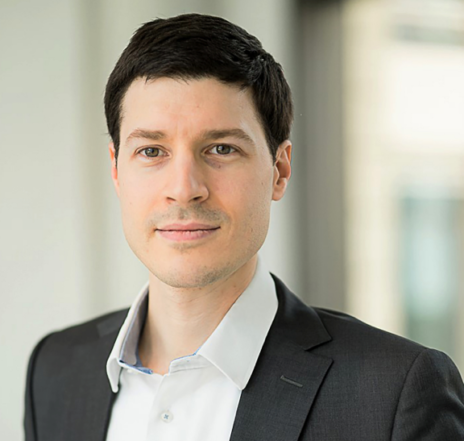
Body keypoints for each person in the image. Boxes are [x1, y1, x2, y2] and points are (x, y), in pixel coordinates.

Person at [23, 13, 464, 441]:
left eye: (220, 148)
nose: (184, 190)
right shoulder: (56, 370)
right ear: (117, 170)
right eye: (152, 152)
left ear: (279, 170)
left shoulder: (394, 393)